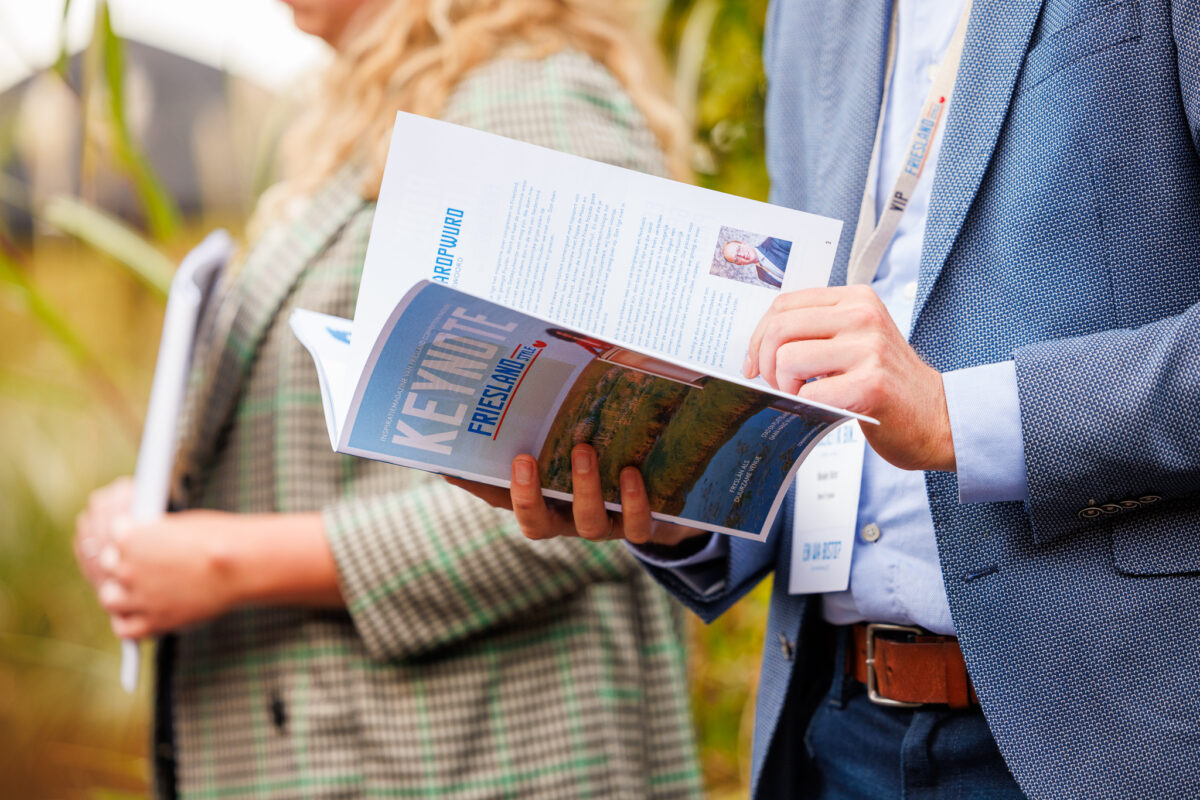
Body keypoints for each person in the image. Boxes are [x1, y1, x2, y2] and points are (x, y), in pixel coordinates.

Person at [463, 0, 1200, 797]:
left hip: (1112, 732)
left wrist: (959, 416)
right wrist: (687, 500)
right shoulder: (809, 14)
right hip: (833, 729)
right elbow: (798, 356)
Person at [72, 1, 704, 798]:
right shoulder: (375, 119)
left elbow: (613, 475)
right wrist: (161, 514)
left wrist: (229, 561)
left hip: (471, 754)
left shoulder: (519, 104)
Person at [721, 237, 790, 288]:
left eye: (739, 249)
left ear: (744, 244)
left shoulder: (775, 241)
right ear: (739, 264)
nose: (741, 255)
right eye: (736, 259)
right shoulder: (762, 276)